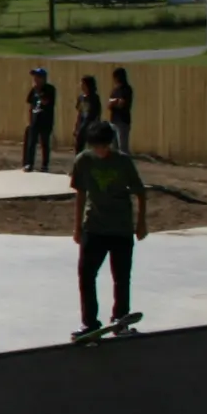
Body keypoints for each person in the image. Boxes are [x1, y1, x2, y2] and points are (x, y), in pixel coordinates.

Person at [70, 119, 147, 341]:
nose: (100, 151)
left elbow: (140, 192)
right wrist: (76, 227)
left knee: (121, 277)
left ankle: (120, 318)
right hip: (93, 227)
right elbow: (80, 193)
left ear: (110, 143)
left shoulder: (123, 162)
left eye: (103, 146)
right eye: (96, 147)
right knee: (86, 275)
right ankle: (90, 322)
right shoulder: (83, 160)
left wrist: (141, 223)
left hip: (121, 228)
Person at [22, 67, 57, 172]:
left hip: (46, 120)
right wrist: (30, 119)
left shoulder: (50, 89)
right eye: (34, 77)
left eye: (37, 77)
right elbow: (30, 103)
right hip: (35, 120)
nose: (35, 79)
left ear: (43, 78)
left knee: (44, 143)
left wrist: (38, 91)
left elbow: (46, 102)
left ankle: (45, 165)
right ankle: (29, 164)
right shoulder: (33, 90)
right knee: (31, 143)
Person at [108, 66, 135, 155]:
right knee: (114, 147)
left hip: (123, 121)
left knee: (123, 148)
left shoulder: (126, 89)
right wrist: (115, 102)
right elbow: (109, 104)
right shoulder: (115, 90)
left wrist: (114, 102)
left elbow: (122, 104)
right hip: (113, 120)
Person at [73, 75, 102, 155]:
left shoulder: (94, 98)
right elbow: (79, 113)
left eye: (83, 83)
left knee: (91, 146)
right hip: (82, 123)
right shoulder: (81, 98)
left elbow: (97, 114)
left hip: (91, 124)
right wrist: (76, 126)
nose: (81, 85)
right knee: (79, 144)